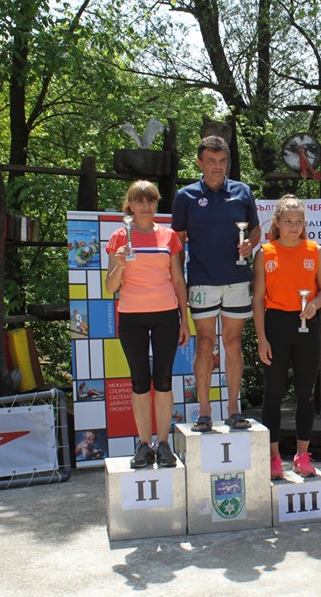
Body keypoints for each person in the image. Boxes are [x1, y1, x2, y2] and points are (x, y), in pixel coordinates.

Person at [172, 135, 261, 432]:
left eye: (222, 161)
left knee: (233, 342)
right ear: (200, 163)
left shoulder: (242, 191)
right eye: (211, 161)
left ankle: (234, 408)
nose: (217, 167)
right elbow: (177, 242)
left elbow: (256, 230)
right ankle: (204, 411)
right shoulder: (185, 196)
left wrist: (250, 243)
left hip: (237, 279)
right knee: (205, 343)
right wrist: (178, 279)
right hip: (202, 280)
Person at [106, 180, 190, 468]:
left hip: (166, 315)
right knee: (140, 381)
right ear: (129, 205)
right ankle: (144, 445)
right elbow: (110, 286)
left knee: (163, 381)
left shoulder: (168, 236)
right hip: (132, 316)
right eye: (140, 201)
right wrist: (120, 264)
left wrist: (185, 320)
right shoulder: (119, 236)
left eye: (151, 200)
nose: (146, 206)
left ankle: (163, 444)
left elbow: (178, 280)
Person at [252, 195, 321, 480]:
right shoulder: (265, 252)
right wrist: (262, 338)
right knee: (273, 393)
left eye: (299, 221)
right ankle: (274, 457)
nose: (294, 227)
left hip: (306, 323)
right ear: (277, 222)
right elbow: (258, 299)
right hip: (276, 324)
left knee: (305, 393)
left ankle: (302, 456)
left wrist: (315, 304)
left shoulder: (315, 251)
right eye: (288, 221)